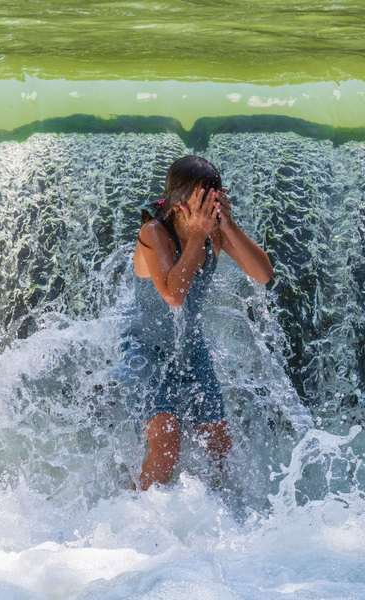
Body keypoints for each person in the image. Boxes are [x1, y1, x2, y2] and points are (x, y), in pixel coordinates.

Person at [130, 155, 273, 491]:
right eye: (203, 201)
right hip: (147, 348)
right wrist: (196, 235)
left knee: (219, 450)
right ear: (180, 203)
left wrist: (227, 226)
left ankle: (212, 527)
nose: (210, 207)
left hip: (191, 348)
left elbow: (264, 275)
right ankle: (133, 511)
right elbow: (174, 295)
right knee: (167, 448)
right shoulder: (153, 233)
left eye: (215, 198)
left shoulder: (214, 233)